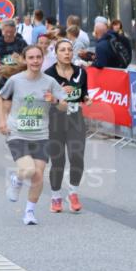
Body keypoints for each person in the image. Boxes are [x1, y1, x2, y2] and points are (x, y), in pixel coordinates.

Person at [0, 44, 69, 225]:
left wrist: (55, 100)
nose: (35, 61)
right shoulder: (16, 80)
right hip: (17, 133)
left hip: (41, 134)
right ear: (25, 60)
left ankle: (29, 212)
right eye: (31, 57)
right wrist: (2, 121)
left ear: (43, 59)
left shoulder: (49, 82)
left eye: (38, 57)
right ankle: (17, 179)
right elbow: (0, 97)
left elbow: (64, 105)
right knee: (28, 170)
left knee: (37, 175)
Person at [43, 39, 92, 213]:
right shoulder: (48, 75)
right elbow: (45, 99)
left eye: (69, 50)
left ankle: (73, 193)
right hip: (54, 120)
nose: (67, 53)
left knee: (77, 157)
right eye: (62, 50)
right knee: (58, 161)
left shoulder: (81, 72)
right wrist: (59, 97)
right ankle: (56, 197)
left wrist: (87, 99)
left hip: (75, 119)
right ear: (55, 53)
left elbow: (84, 93)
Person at [0, 18, 28, 109]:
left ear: (15, 30)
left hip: (18, 76)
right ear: (2, 30)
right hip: (3, 76)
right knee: (4, 100)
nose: (9, 34)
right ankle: (6, 119)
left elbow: (28, 57)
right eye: (6, 31)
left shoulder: (21, 42)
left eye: (11, 32)